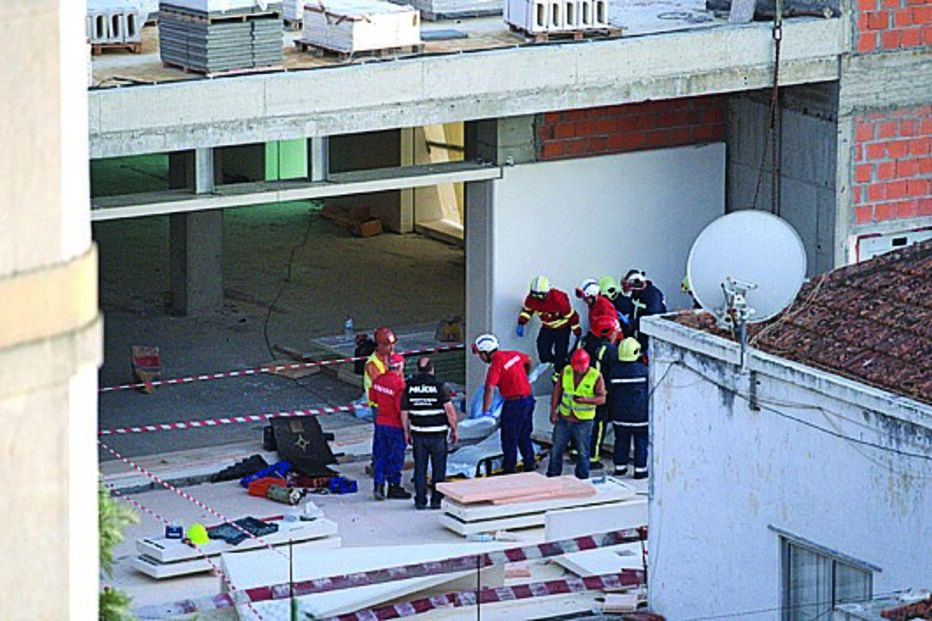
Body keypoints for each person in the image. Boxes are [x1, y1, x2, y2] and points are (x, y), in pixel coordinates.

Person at [400, 357, 458, 510]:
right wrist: (454, 429)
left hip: (418, 433)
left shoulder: (409, 387)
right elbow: (450, 411)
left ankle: (420, 501)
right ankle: (436, 500)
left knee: (420, 467)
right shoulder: (440, 387)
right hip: (438, 434)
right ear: (432, 369)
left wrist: (406, 431)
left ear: (418, 370)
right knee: (439, 468)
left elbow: (404, 412)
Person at [474, 333, 536, 474]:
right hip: (528, 400)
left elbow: (489, 389)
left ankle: (509, 469)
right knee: (524, 435)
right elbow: (529, 360)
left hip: (514, 404)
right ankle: (529, 465)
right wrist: (524, 375)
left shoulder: (496, 366)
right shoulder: (513, 354)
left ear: (486, 353)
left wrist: (485, 412)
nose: (480, 358)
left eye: (480, 354)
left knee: (509, 437)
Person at [546, 348, 606, 480]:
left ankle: (582, 478)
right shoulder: (566, 371)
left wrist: (586, 400)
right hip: (564, 417)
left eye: (581, 368)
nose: (578, 371)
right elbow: (557, 391)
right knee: (556, 449)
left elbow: (602, 398)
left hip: (583, 422)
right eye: (576, 368)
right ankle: (553, 475)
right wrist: (553, 411)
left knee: (583, 452)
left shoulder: (595, 376)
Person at [573, 314, 619, 471]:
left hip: (577, 390)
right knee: (598, 425)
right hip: (598, 394)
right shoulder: (610, 350)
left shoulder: (582, 342)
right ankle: (592, 457)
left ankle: (575, 451)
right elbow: (615, 372)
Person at [516, 276, 581, 382]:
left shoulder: (558, 299)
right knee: (542, 347)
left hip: (562, 328)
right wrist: (522, 323)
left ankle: (558, 375)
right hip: (547, 327)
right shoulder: (531, 299)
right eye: (535, 295)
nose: (537, 298)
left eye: (540, 296)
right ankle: (551, 362)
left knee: (561, 352)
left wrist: (577, 331)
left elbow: (571, 316)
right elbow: (528, 311)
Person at [369, 354, 412, 500]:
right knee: (396, 457)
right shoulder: (399, 385)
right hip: (395, 425)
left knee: (381, 455)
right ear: (399, 367)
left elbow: (373, 399)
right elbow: (401, 409)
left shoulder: (378, 380)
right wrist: (407, 430)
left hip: (381, 423)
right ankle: (394, 486)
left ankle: (378, 485)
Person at [608, 338, 650, 479]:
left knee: (621, 441)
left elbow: (611, 392)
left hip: (619, 416)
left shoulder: (614, 372)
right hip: (641, 416)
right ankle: (640, 470)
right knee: (641, 443)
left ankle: (620, 468)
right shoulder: (644, 371)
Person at [620, 270, 667, 351]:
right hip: (640, 332)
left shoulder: (653, 296)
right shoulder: (637, 293)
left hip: (651, 334)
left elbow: (652, 319)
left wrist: (632, 323)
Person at [364, 326, 398, 420]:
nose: (392, 348)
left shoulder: (391, 358)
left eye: (392, 344)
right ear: (379, 346)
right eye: (388, 345)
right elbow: (382, 385)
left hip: (391, 403)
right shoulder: (372, 364)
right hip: (379, 406)